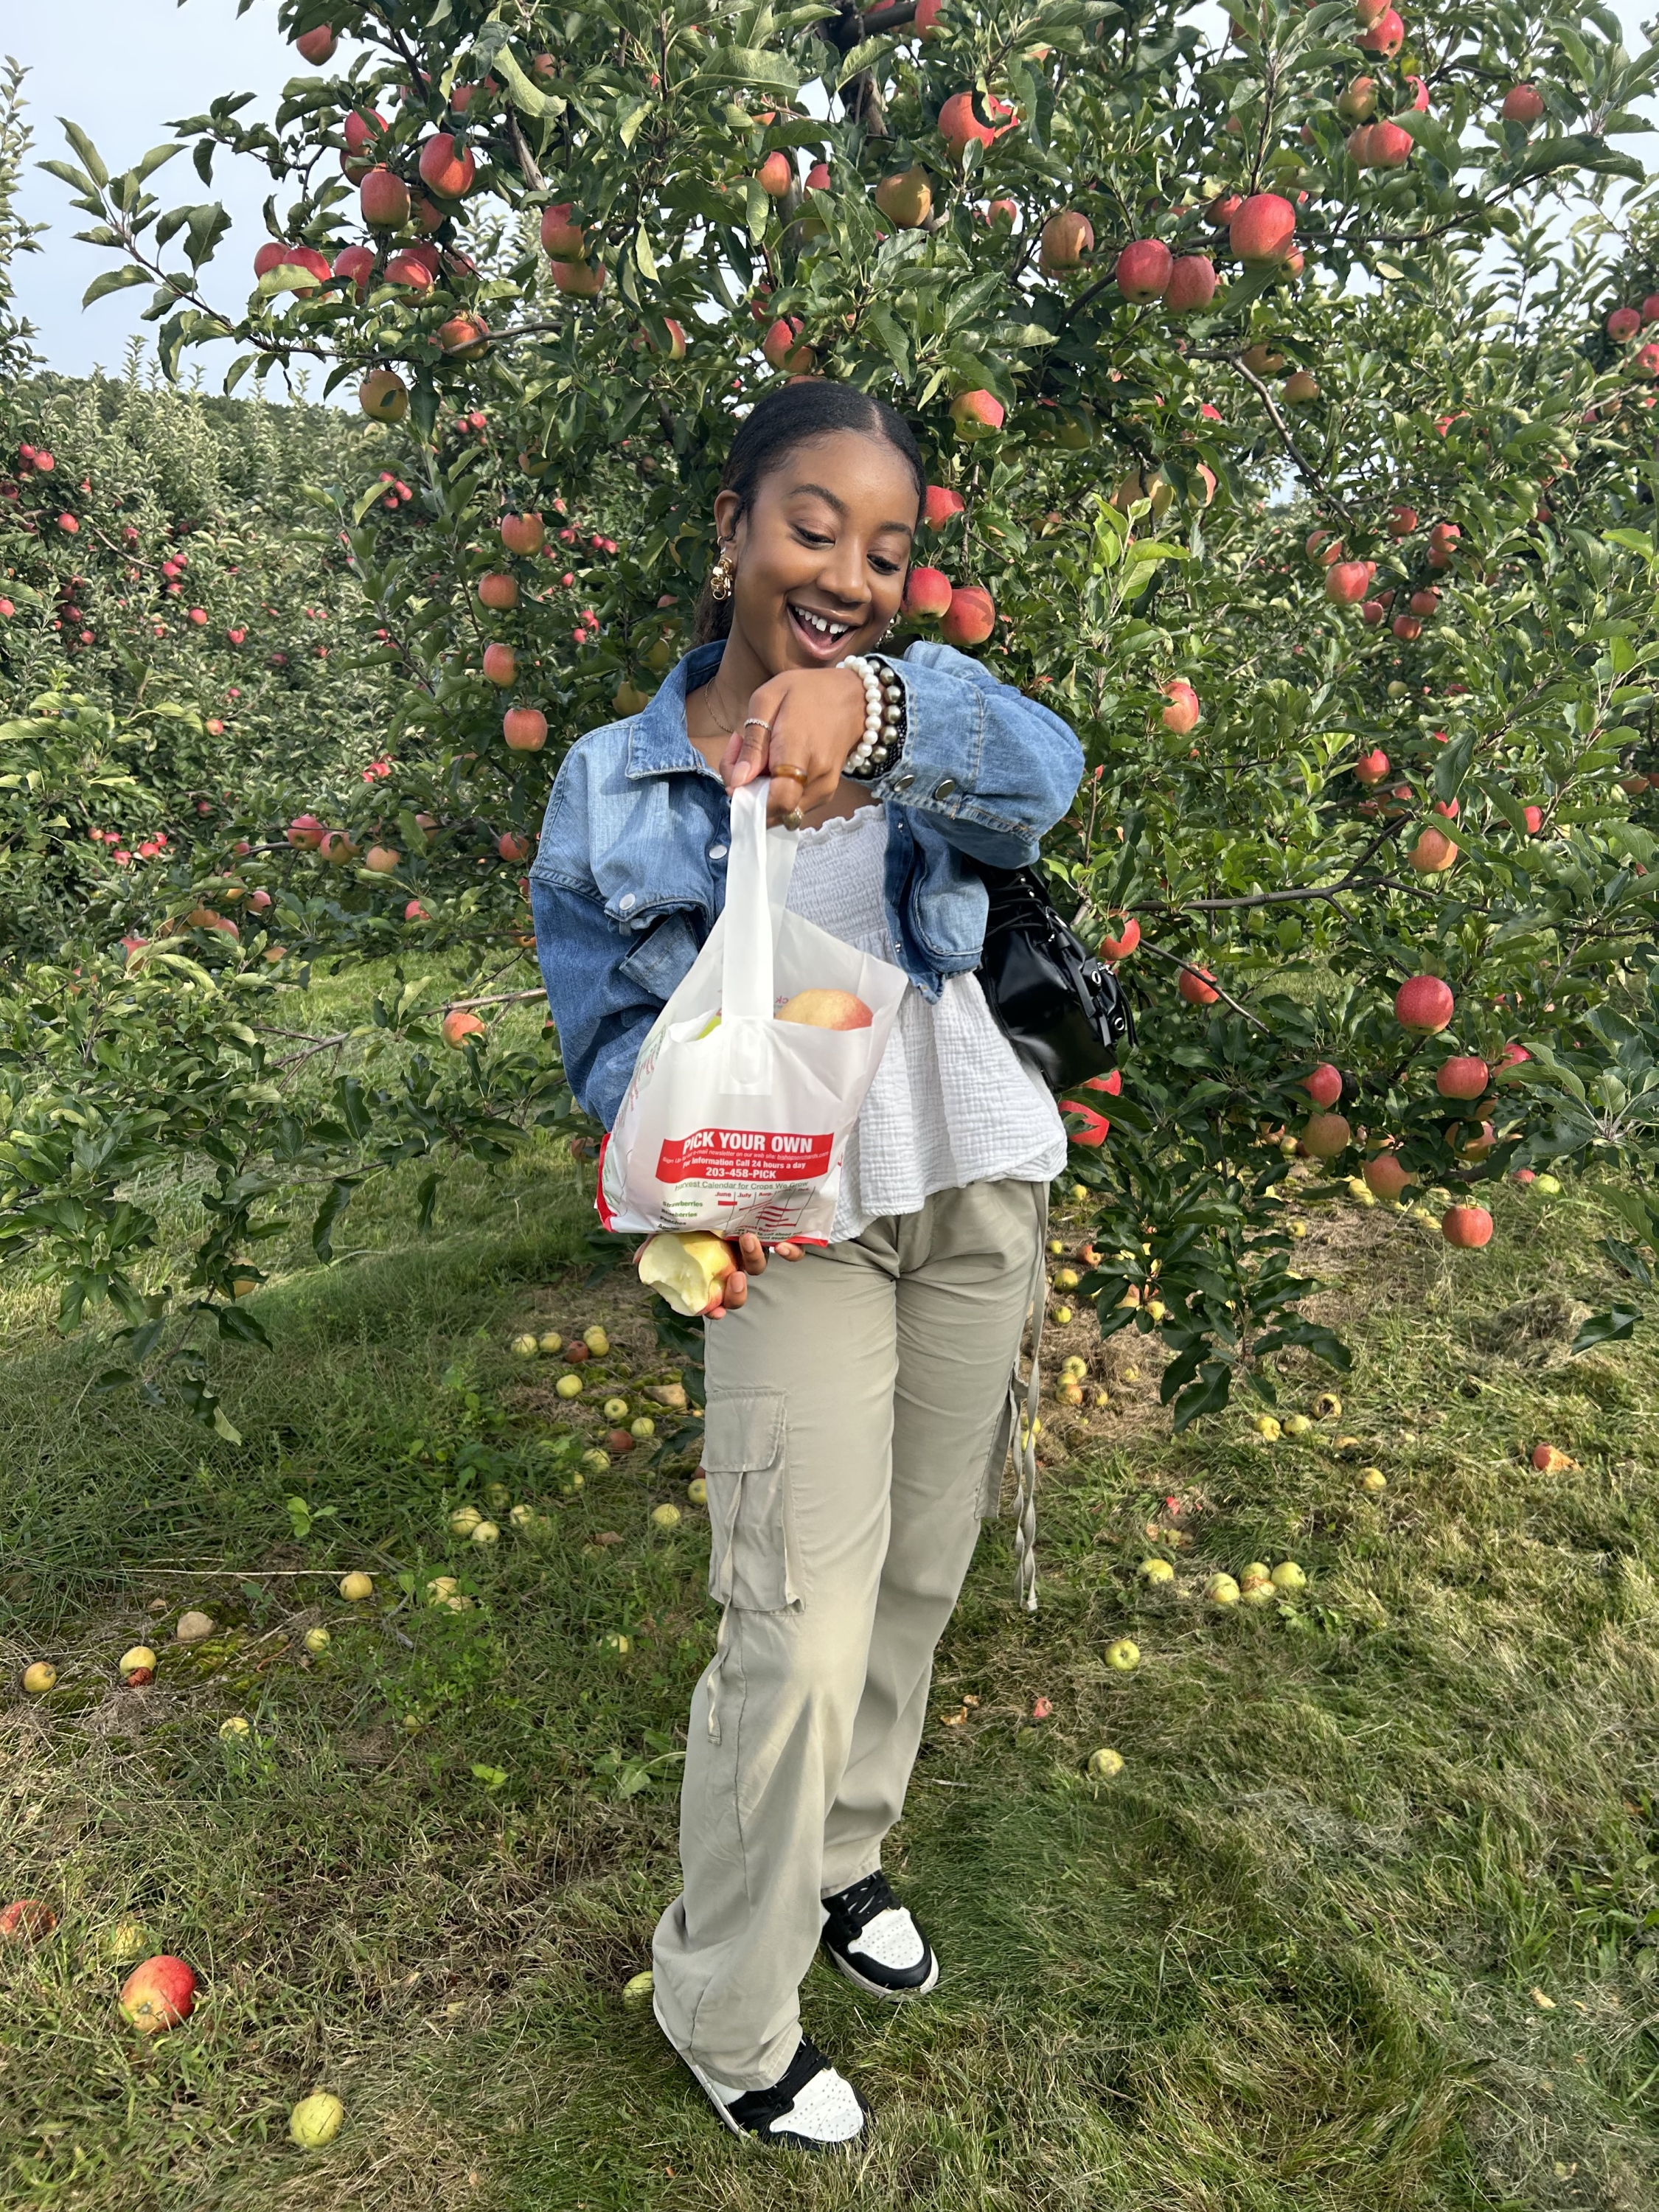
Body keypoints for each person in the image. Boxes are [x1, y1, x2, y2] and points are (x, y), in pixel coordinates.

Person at [530, 380, 1082, 2149]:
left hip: (970, 1177)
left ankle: (847, 1853)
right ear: (734, 528)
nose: (849, 573)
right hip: (796, 1231)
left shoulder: (917, 712)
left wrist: (883, 709)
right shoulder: (617, 782)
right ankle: (728, 2008)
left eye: (889, 550)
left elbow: (1049, 777)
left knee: (916, 1570)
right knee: (795, 1617)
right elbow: (607, 1039)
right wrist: (691, 1182)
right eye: (813, 527)